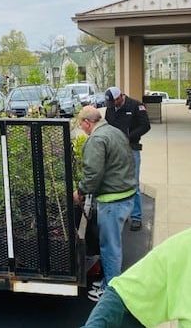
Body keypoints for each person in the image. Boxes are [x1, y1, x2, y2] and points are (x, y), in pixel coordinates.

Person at [83, 182, 191, 327]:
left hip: (114, 197)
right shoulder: (189, 248)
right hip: (122, 195)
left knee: (111, 248)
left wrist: (83, 188)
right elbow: (124, 294)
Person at [74, 106, 136, 302]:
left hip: (112, 199)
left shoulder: (97, 139)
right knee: (114, 243)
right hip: (126, 194)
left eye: (81, 126)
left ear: (87, 122)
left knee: (110, 246)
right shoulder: (114, 131)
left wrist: (81, 191)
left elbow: (93, 174)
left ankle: (110, 291)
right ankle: (110, 281)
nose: (82, 130)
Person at [104, 86, 150, 232]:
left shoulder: (136, 106)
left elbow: (145, 126)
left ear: (120, 97)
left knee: (133, 184)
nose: (112, 106)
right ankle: (124, 215)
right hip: (114, 151)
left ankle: (136, 217)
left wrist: (127, 136)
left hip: (131, 150)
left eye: (114, 102)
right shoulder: (111, 108)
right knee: (118, 183)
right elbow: (107, 124)